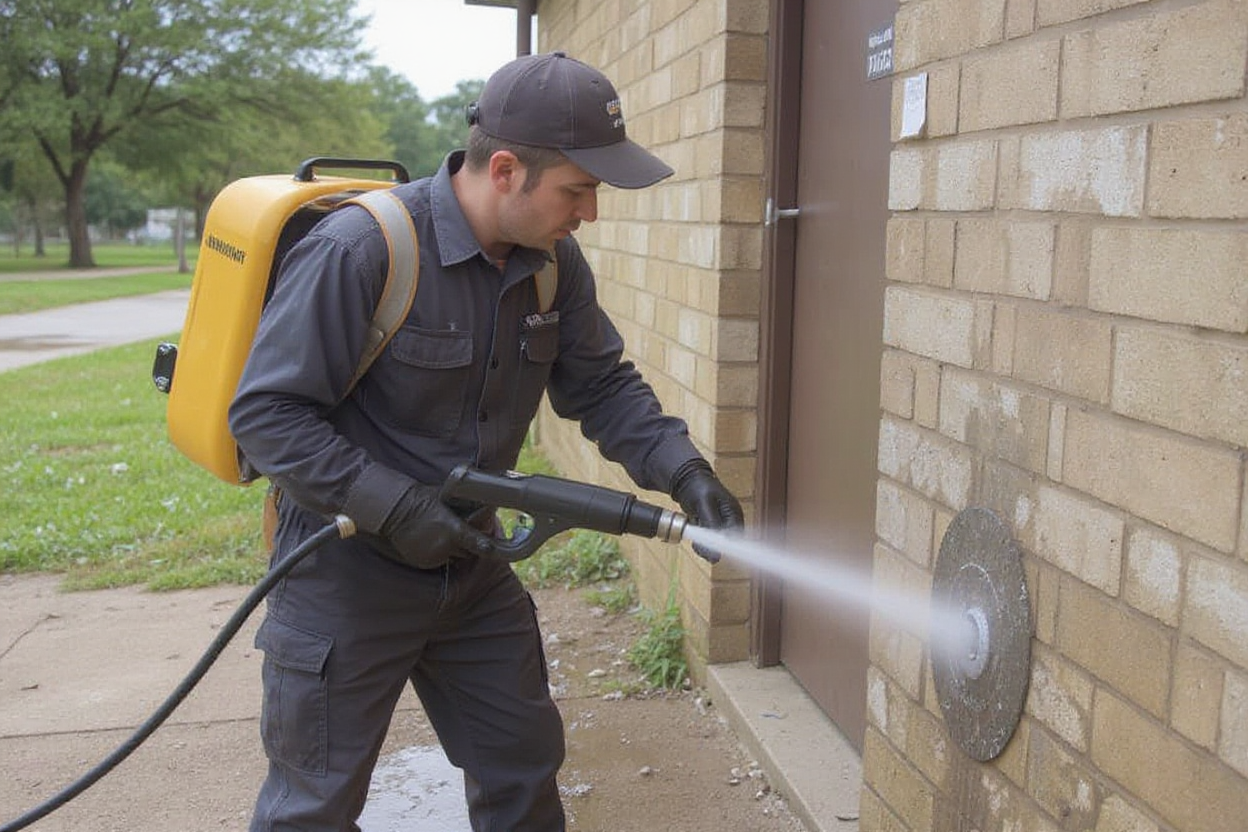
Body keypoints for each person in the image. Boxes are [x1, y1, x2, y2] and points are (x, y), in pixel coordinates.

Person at [228, 51, 745, 832]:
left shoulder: (550, 266)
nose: (589, 214)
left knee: (522, 768)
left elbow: (600, 385)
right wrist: (396, 508)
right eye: (579, 190)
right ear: (505, 169)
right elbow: (268, 416)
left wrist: (685, 471)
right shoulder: (362, 250)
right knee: (314, 808)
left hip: (470, 568)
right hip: (345, 575)